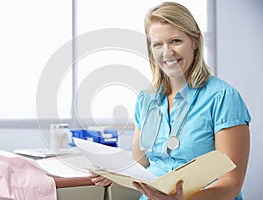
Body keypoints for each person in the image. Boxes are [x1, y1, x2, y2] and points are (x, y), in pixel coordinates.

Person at [90, 2, 251, 200]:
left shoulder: (223, 97)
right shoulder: (146, 100)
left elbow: (231, 183)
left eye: (175, 41)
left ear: (195, 41)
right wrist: (112, 173)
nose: (167, 52)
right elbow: (140, 163)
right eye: (158, 44)